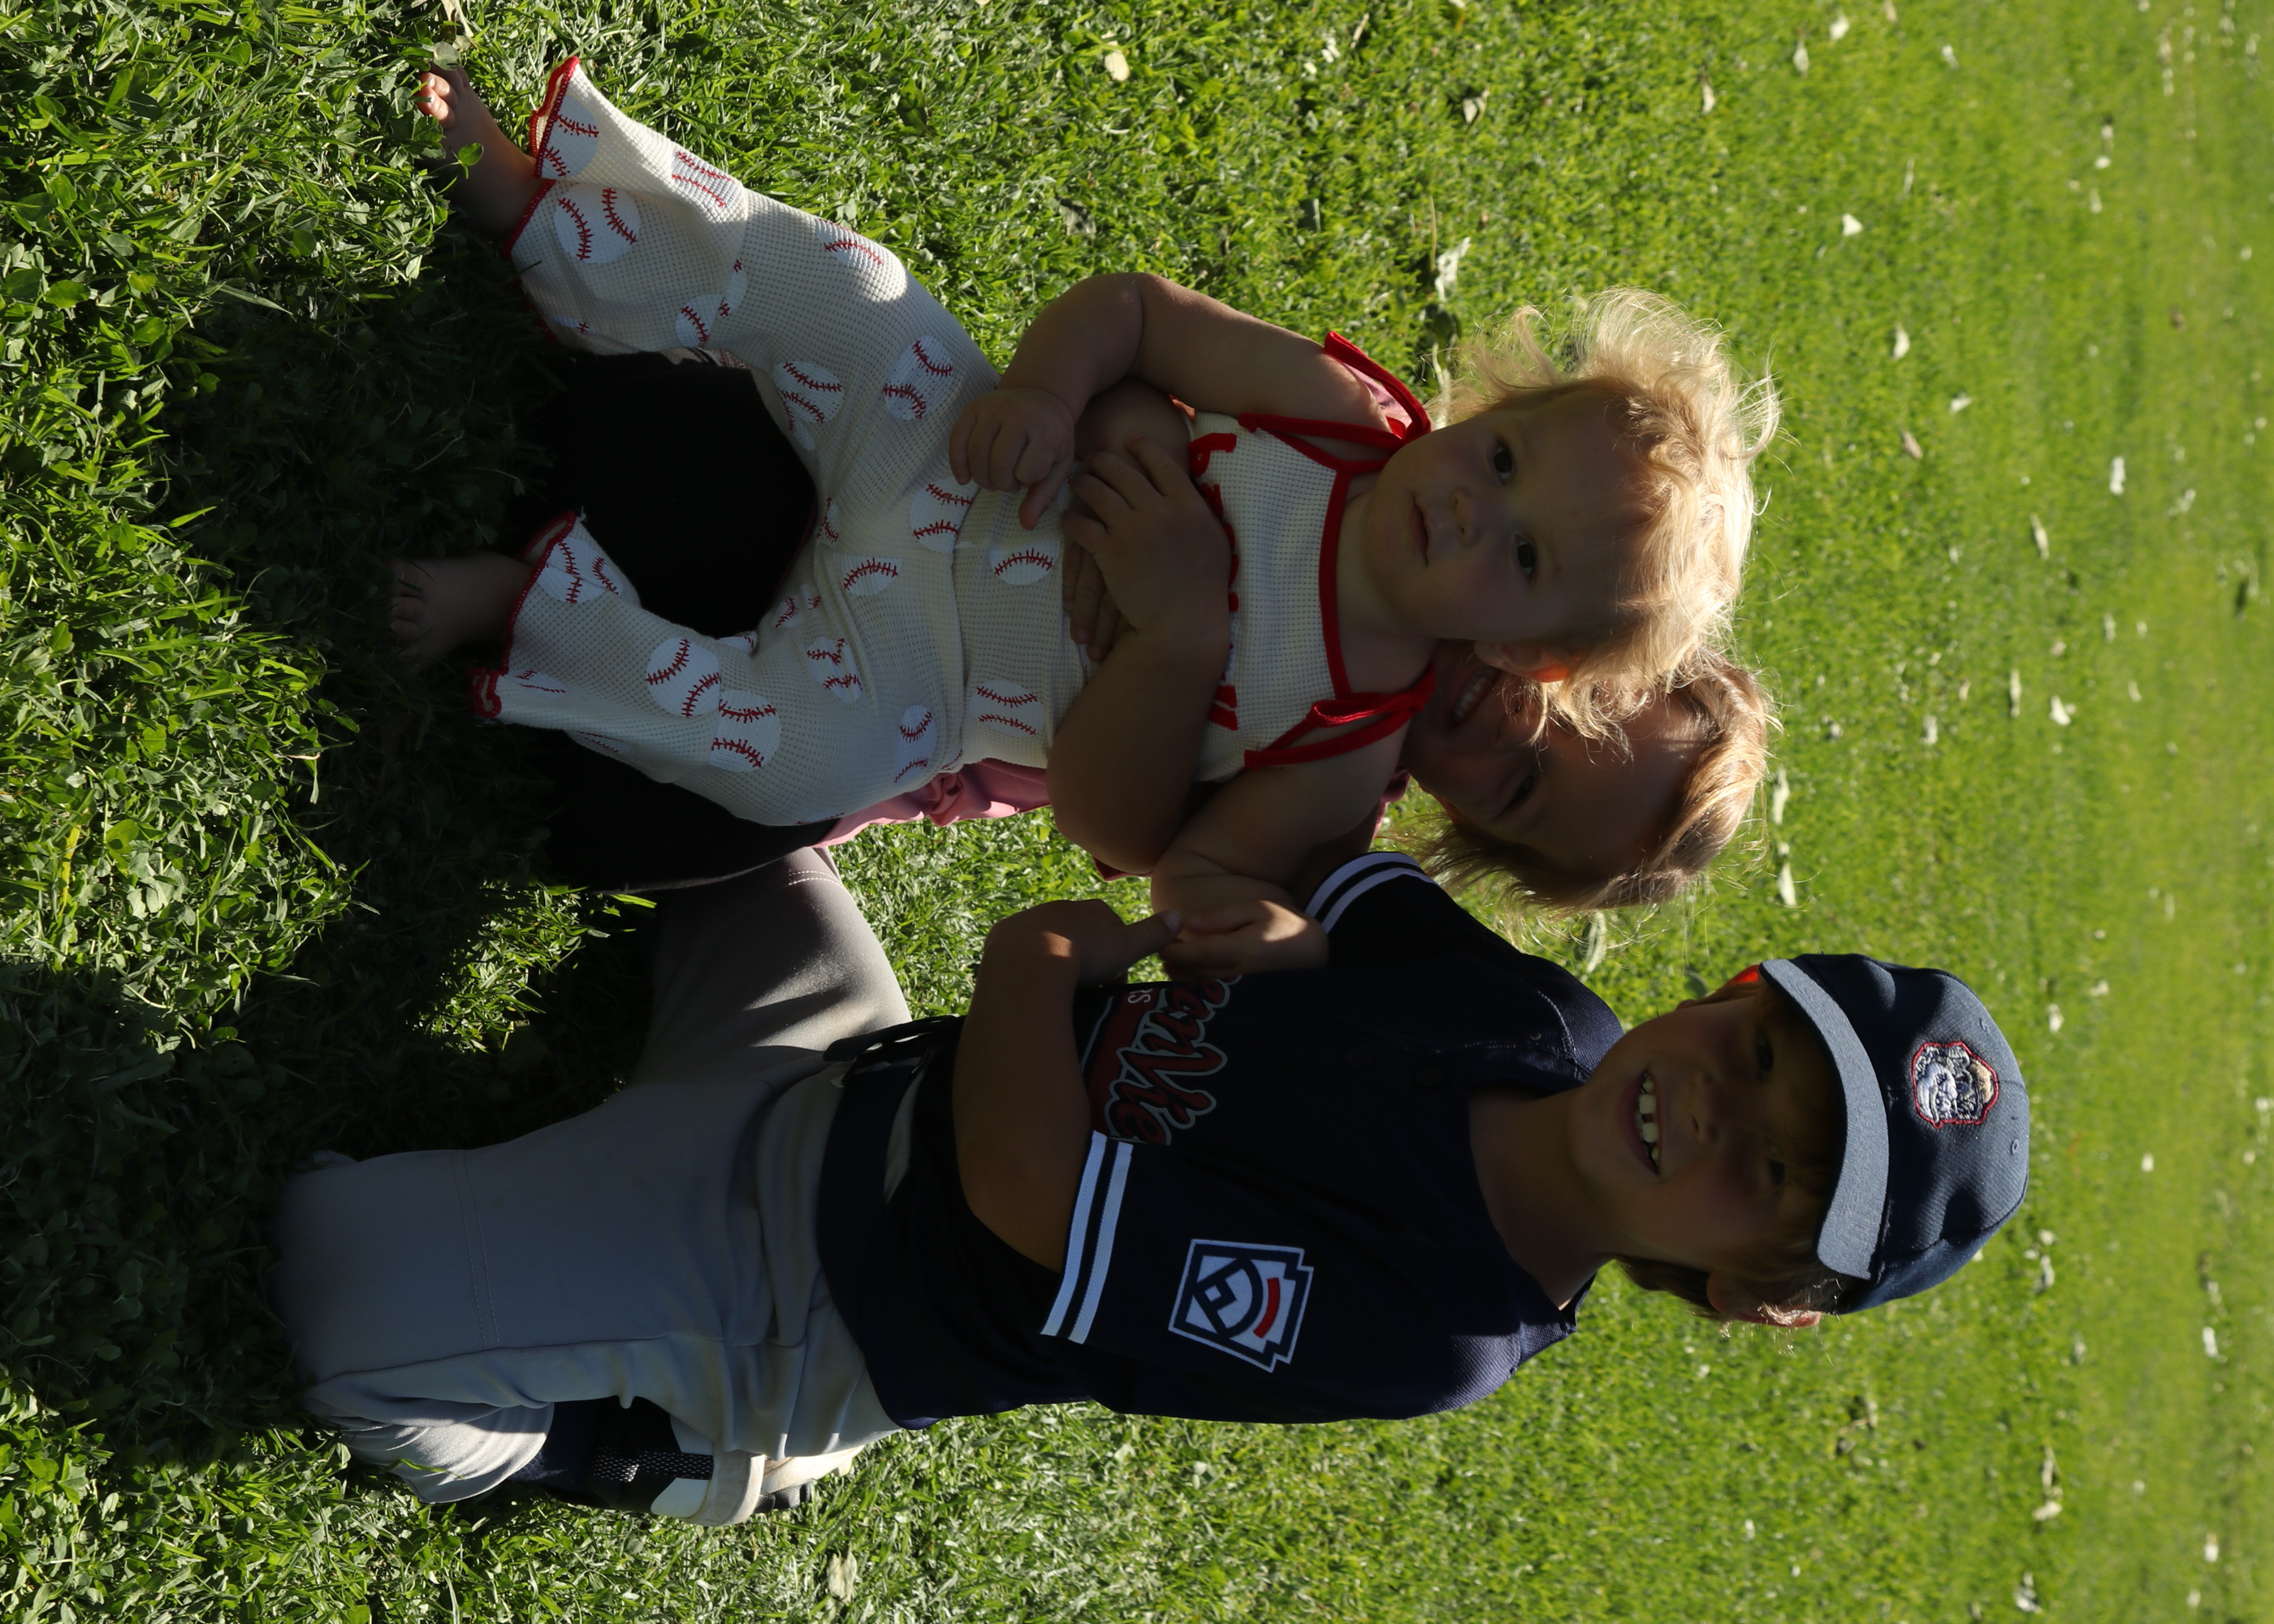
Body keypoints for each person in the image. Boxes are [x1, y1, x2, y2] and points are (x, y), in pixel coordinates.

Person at [393, 59, 1778, 951]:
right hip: (956, 465)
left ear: (1543, 649)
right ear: (1490, 408)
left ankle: (538, 614)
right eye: (1505, 462)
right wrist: (1056, 401)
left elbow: (1134, 845)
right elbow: (1136, 317)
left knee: (794, 762)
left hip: (919, 675)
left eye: (1530, 777)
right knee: (854, 287)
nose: (1477, 513)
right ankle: (550, 217)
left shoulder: (1343, 757)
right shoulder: (1348, 422)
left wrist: (1180, 646)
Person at [272, 845, 2031, 1523]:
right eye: (1758, 1048)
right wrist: (1294, 926)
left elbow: (1026, 1185)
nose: (1711, 1109)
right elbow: (1324, 874)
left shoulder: (1433, 1328)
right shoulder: (1542, 1021)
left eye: (1768, 1173)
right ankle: (640, 1133)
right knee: (714, 797)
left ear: (1750, 1290)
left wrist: (1038, 958)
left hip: (799, 1292)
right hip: (849, 1064)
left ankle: (667, 1457)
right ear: (1723, 994)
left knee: (336, 1285)